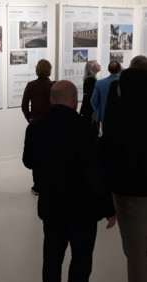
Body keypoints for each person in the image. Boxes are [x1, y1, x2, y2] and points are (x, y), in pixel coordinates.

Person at [22, 80, 116, 282]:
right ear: (74, 99)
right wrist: (109, 208)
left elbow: (28, 161)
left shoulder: (35, 128)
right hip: (82, 207)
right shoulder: (85, 128)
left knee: (52, 258)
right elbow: (96, 172)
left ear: (51, 100)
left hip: (52, 205)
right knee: (81, 259)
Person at [102, 55, 147, 282]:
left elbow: (110, 148)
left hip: (129, 188)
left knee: (137, 252)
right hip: (132, 184)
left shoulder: (118, 107)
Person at [21, 59, 54, 195]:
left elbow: (24, 105)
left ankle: (37, 185)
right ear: (49, 70)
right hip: (51, 123)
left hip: (36, 123)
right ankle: (50, 182)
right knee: (51, 153)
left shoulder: (31, 85)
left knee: (37, 153)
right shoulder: (53, 85)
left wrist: (30, 119)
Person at [90, 60, 122, 130]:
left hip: (105, 115)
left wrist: (98, 111)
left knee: (106, 136)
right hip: (122, 115)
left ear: (108, 70)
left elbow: (93, 100)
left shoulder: (99, 83)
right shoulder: (124, 82)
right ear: (120, 69)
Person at [79, 60, 101, 135]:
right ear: (93, 68)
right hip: (90, 112)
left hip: (88, 110)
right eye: (97, 65)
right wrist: (94, 111)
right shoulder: (91, 80)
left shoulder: (89, 80)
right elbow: (91, 98)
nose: (99, 65)